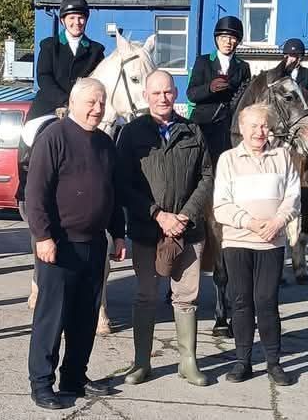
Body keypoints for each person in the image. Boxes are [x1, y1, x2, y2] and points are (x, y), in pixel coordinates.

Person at [24, 78, 127, 410]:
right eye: (91, 102)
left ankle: (74, 377)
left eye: (102, 102)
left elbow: (114, 192)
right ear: (73, 101)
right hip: (60, 245)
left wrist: (119, 233)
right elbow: (36, 192)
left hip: (95, 244)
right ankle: (42, 383)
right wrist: (42, 236)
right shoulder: (54, 137)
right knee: (52, 317)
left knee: (85, 319)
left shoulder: (105, 144)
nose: (98, 108)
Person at [115, 69, 213, 387]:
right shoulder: (131, 133)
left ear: (176, 93)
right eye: (156, 93)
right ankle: (141, 362)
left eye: (168, 92)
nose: (163, 98)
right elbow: (123, 184)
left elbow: (207, 177)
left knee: (187, 298)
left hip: (188, 230)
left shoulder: (193, 131)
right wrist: (158, 215)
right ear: (146, 96)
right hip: (148, 230)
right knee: (145, 296)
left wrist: (185, 215)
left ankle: (188, 362)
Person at [213, 103, 300, 386]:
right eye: (253, 126)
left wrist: (277, 222)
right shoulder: (228, 160)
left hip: (271, 243)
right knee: (241, 302)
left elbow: (293, 197)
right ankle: (243, 361)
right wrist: (250, 223)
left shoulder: (283, 156)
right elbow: (221, 206)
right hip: (238, 242)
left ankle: (274, 362)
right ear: (241, 129)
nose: (260, 132)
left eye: (264, 126)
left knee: (266, 301)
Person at [18, 0, 106, 209]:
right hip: (50, 103)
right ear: (63, 20)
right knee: (28, 134)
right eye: (72, 18)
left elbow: (99, 81)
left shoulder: (96, 50)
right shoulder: (50, 46)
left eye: (81, 18)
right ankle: (24, 188)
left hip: (84, 108)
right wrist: (65, 101)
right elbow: (44, 77)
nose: (77, 22)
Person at [187, 16, 252, 165]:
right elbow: (191, 94)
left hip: (229, 126)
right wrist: (209, 88)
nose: (228, 42)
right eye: (223, 37)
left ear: (238, 41)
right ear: (217, 39)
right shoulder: (202, 61)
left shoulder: (243, 67)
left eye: (232, 38)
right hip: (204, 123)